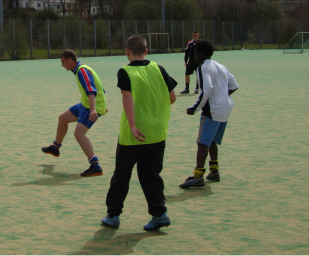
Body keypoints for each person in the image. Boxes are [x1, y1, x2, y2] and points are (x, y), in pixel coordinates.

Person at [101, 35, 177, 231]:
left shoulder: (125, 72)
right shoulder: (159, 68)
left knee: (121, 175)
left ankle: (113, 215)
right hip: (157, 133)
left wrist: (133, 126)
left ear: (127, 52)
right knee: (151, 175)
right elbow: (172, 98)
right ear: (146, 51)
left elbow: (127, 99)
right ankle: (159, 214)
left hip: (133, 136)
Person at [178, 40, 239, 188]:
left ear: (202, 54)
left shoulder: (203, 67)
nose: (194, 56)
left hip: (212, 109)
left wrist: (195, 108)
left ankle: (198, 175)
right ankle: (214, 171)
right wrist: (222, 96)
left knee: (202, 142)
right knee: (211, 141)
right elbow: (234, 85)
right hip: (225, 108)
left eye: (195, 53)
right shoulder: (220, 66)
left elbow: (207, 90)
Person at [41, 50, 108, 177]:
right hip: (85, 104)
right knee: (63, 118)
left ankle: (95, 166)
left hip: (90, 107)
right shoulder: (80, 70)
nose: (62, 65)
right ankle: (55, 148)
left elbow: (91, 90)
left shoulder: (82, 71)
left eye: (63, 62)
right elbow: (100, 88)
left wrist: (94, 109)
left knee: (79, 134)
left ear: (70, 60)